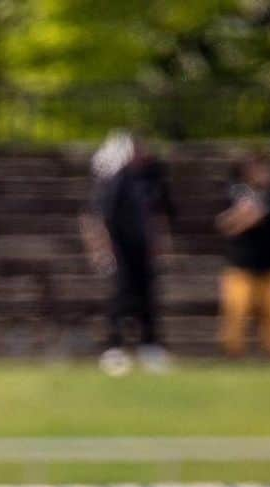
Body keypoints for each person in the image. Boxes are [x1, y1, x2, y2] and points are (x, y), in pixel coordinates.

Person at [81, 130, 176, 375]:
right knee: (120, 297)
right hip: (120, 248)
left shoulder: (152, 178)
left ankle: (150, 346)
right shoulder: (114, 180)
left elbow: (160, 214)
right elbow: (98, 216)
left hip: (144, 248)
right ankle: (114, 348)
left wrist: (162, 244)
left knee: (148, 296)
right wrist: (101, 248)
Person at [216, 151, 270, 358]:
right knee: (235, 318)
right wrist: (248, 216)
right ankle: (232, 357)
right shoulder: (236, 192)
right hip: (240, 266)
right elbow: (225, 225)